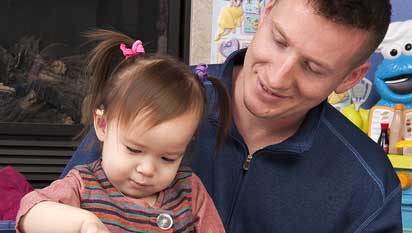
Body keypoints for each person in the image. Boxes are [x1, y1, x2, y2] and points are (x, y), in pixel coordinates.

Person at [62, 0, 403, 232]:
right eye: (279, 41)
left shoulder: (366, 185)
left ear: (350, 78)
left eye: (312, 67)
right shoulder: (153, 101)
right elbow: (64, 201)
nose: (277, 78)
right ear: (266, 14)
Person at [16, 30, 230, 233]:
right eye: (134, 150)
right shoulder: (84, 185)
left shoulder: (189, 193)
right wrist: (83, 223)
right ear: (102, 125)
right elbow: (30, 212)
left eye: (167, 158)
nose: (147, 169)